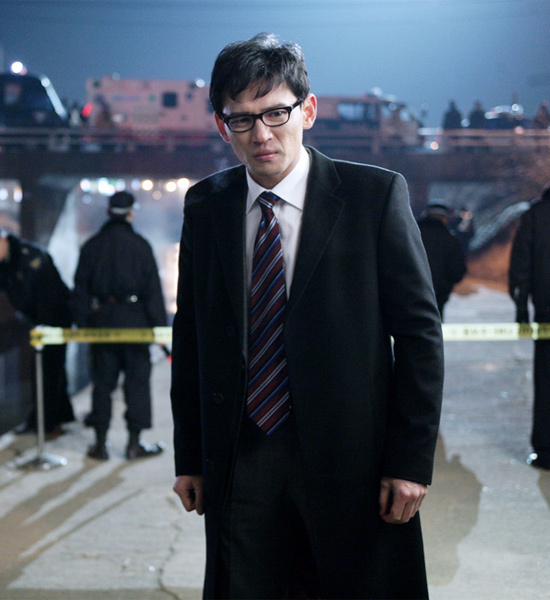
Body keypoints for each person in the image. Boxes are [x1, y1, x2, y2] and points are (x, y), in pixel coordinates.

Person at [170, 33, 444, 599]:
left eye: (276, 112)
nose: (261, 134)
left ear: (308, 110)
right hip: (243, 452)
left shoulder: (372, 197)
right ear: (222, 126)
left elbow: (420, 335)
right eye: (241, 119)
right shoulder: (206, 205)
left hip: (352, 454)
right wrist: (191, 457)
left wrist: (410, 461)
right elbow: (192, 335)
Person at [72, 191, 167, 460]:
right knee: (137, 385)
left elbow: (80, 289)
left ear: (108, 212)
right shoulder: (141, 245)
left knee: (102, 386)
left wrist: (82, 323)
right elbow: (153, 291)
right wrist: (159, 327)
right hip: (137, 324)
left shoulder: (92, 246)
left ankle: (100, 445)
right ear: (131, 213)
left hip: (102, 324)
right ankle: (134, 444)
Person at [0, 227, 75, 437]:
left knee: (46, 372)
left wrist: (44, 326)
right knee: (51, 371)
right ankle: (56, 418)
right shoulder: (9, 261)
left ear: (2, 240)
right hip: (43, 322)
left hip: (54, 320)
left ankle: (46, 423)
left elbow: (46, 294)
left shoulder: (29, 256)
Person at [508, 152, 550, 472]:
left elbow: (522, 264)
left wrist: (521, 308)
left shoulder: (537, 214)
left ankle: (546, 454)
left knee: (549, 384)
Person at [417, 202, 467, 317]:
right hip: (440, 292)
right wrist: (446, 285)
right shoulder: (450, 240)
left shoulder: (412, 236)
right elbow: (457, 269)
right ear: (445, 218)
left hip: (412, 290)